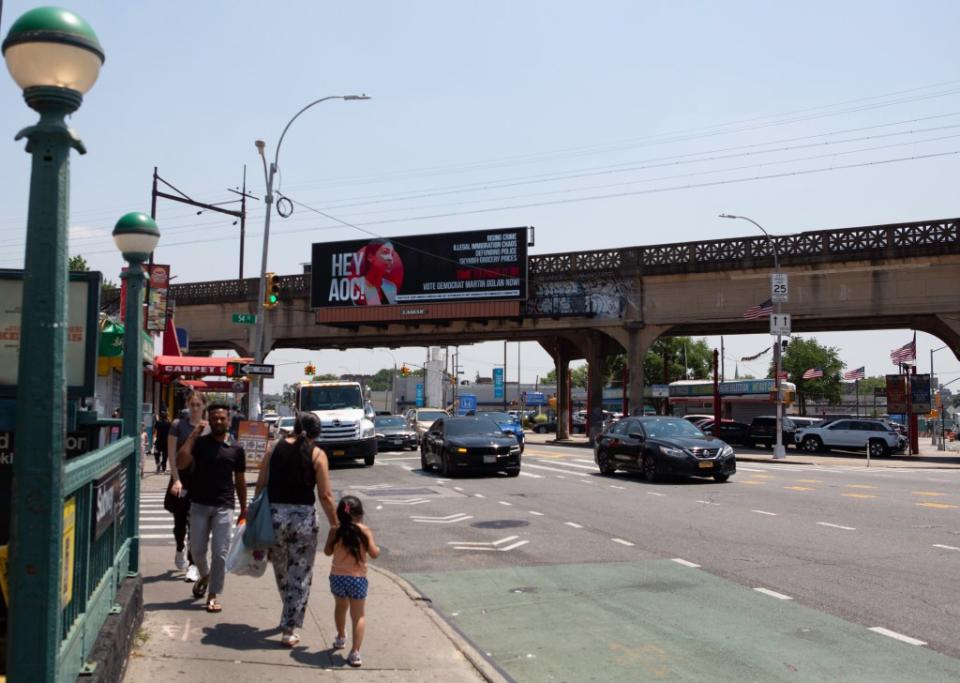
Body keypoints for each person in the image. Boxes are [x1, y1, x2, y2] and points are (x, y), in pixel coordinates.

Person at [254, 412, 336, 648]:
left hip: (275, 518)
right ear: (315, 434)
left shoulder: (273, 449)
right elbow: (325, 495)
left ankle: (288, 607)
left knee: (281, 570)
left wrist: (253, 514)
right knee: (300, 575)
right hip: (303, 522)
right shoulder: (317, 454)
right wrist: (335, 523)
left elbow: (261, 483)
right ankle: (289, 628)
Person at [177, 402, 247, 613]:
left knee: (220, 553)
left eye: (222, 418)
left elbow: (240, 480)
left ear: (229, 420)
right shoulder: (199, 443)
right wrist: (193, 434)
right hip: (199, 504)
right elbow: (181, 463)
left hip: (224, 506)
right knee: (197, 551)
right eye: (214, 418)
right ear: (209, 420)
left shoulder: (236, 448)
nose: (218, 421)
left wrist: (244, 508)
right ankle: (205, 576)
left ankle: (213, 594)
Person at [324, 495, 379, 668]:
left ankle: (341, 637)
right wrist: (375, 548)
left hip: (337, 577)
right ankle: (355, 653)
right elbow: (374, 553)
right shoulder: (364, 530)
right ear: (360, 513)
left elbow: (327, 551)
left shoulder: (335, 529)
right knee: (358, 615)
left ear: (340, 513)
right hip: (357, 579)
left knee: (340, 607)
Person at [168, 391, 208, 581]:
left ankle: (193, 564)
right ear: (187, 404)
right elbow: (171, 454)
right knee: (180, 521)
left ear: (203, 406)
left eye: (198, 405)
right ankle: (179, 548)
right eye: (192, 404)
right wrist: (176, 478)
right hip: (181, 477)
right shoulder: (178, 425)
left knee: (197, 524)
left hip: (200, 479)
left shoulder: (207, 428)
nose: (194, 408)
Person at [356, 239, 399, 305]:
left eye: (392, 255)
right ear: (370, 257)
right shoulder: (356, 285)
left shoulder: (391, 287)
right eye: (385, 252)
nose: (391, 259)